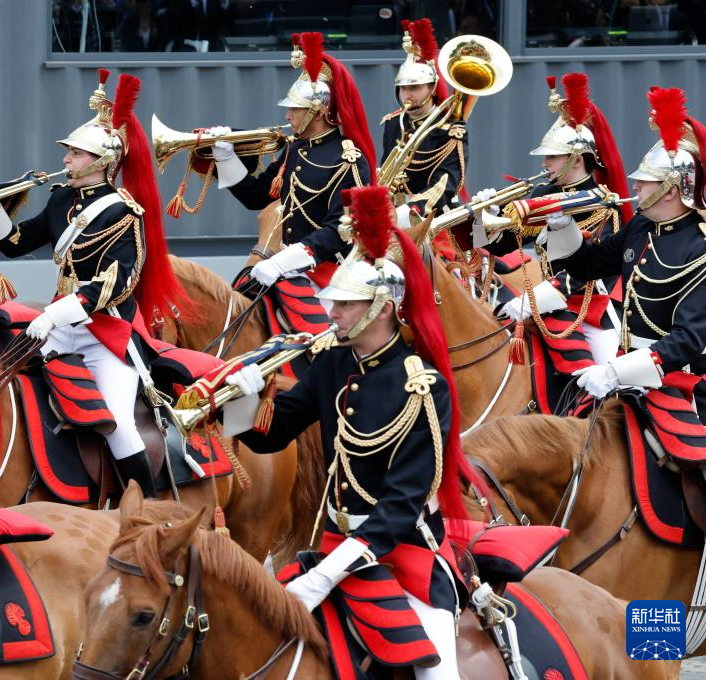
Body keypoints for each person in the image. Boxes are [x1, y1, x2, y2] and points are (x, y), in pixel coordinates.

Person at [222, 185, 470, 678]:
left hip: (403, 553)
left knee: (437, 672)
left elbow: (402, 504)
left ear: (381, 307)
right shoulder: (334, 364)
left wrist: (327, 577)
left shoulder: (424, 386)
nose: (330, 312)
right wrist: (244, 397)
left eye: (344, 304)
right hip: (333, 543)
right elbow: (272, 434)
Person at [0, 70, 188, 497]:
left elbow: (116, 284)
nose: (67, 160)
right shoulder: (60, 200)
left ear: (103, 161)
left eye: (76, 154)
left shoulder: (125, 213)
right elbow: (15, 244)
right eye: (69, 152)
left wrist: (53, 313)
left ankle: (146, 509)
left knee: (119, 425)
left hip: (104, 335)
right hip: (61, 327)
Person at [543, 87, 706, 418]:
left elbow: (688, 339)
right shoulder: (641, 228)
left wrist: (616, 372)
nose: (635, 187)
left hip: (680, 382)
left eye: (645, 182)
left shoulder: (700, 247)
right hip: (627, 372)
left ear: (671, 190)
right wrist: (563, 227)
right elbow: (587, 266)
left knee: (686, 461)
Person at [472, 73, 632, 367]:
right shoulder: (543, 193)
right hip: (546, 303)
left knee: (612, 377)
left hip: (593, 309)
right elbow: (498, 246)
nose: (544, 164)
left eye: (553, 157)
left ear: (577, 157)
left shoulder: (604, 204)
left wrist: (530, 300)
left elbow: (586, 271)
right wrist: (484, 217)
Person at [210, 31, 376, 291]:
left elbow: (340, 230)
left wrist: (285, 262)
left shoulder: (348, 158)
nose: (288, 116)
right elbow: (255, 197)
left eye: (294, 109)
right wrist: (226, 158)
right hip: (288, 266)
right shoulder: (295, 150)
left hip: (330, 274)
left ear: (318, 111)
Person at [380, 19, 467, 218]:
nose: (407, 95)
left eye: (415, 88)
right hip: (394, 213)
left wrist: (413, 209)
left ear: (432, 89)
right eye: (403, 88)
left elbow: (446, 182)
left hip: (433, 216)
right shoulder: (393, 123)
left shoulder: (451, 129)